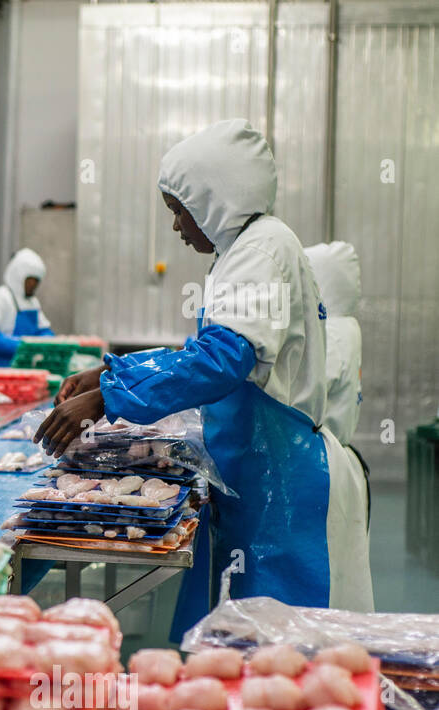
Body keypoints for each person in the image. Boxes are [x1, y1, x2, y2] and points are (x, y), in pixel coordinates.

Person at [35, 119, 373, 626]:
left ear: (216, 198)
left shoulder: (259, 250)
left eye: (179, 211)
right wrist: (114, 370)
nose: (177, 227)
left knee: (276, 642)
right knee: (250, 636)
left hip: (277, 477)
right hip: (259, 470)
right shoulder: (250, 249)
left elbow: (221, 361)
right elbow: (201, 351)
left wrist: (109, 397)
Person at [305, 241, 369, 526]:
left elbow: (304, 394)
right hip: (338, 459)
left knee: (332, 557)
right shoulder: (347, 326)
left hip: (327, 463)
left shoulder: (333, 333)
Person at [0, 247, 53, 365]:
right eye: (30, 280)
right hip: (1, 368)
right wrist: (21, 345)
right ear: (18, 276)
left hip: (28, 368)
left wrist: (45, 343)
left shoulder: (33, 302)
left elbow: (44, 331)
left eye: (37, 281)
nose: (34, 285)